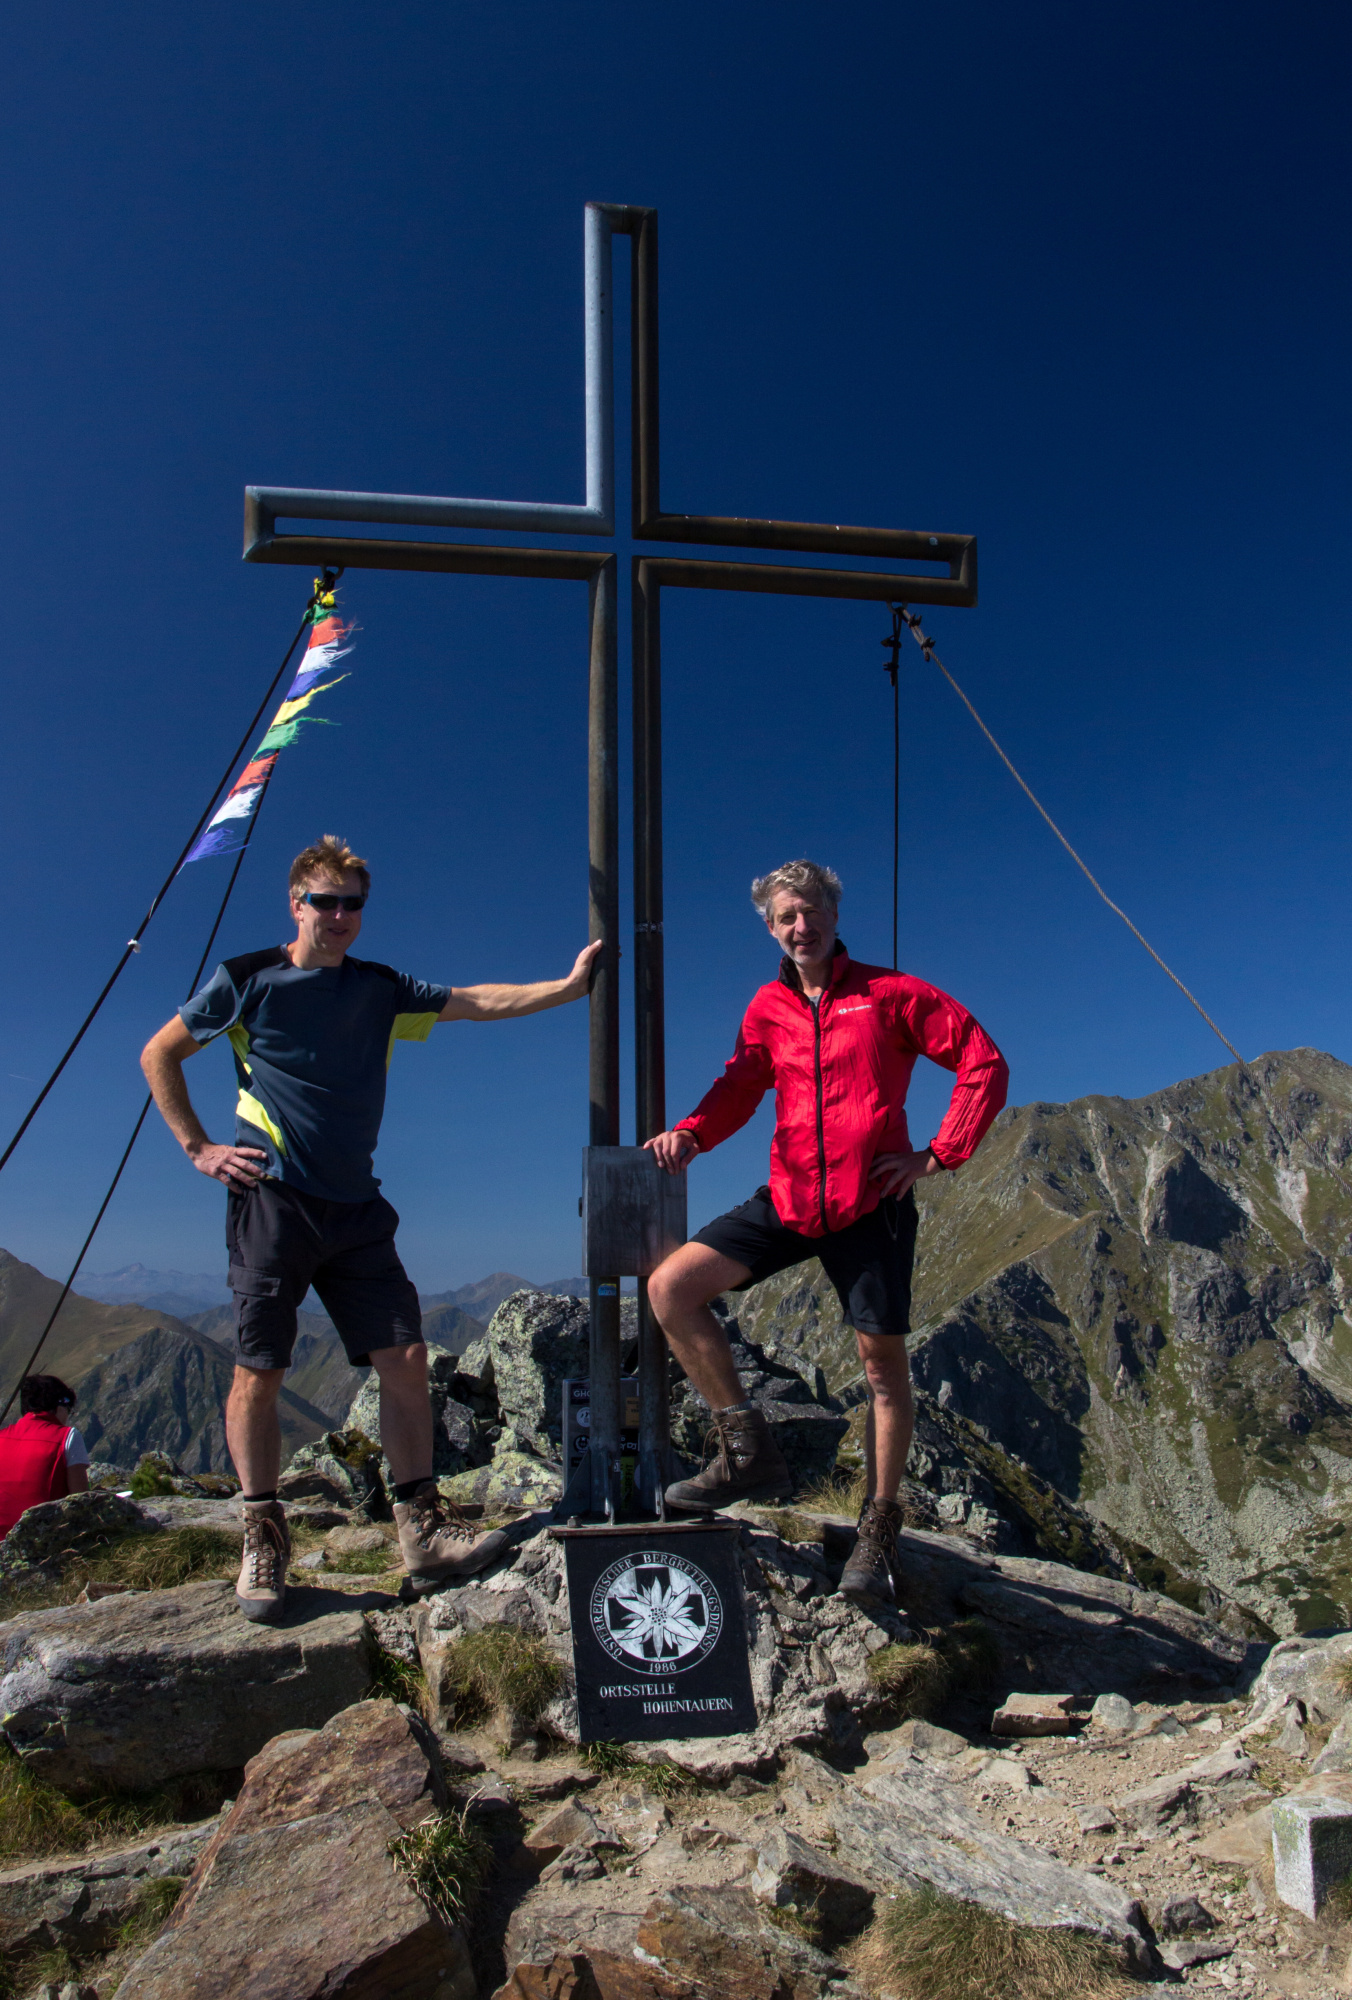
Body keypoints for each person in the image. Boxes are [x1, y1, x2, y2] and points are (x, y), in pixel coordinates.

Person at [142, 835, 600, 1622]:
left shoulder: (379, 986)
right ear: (296, 903)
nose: (342, 916)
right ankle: (262, 1532)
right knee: (261, 1368)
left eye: (354, 903)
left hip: (356, 1205)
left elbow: (473, 1000)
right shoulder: (248, 979)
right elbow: (161, 1051)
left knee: (407, 1355)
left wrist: (566, 988)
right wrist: (199, 1148)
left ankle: (420, 1529)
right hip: (274, 1198)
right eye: (326, 901)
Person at [644, 859, 1007, 1610]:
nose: (800, 926)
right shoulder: (766, 1007)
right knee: (672, 1288)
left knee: (881, 1372)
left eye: (810, 912)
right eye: (785, 917)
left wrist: (938, 1154)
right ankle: (746, 1453)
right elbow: (742, 1084)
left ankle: (878, 1526)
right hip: (788, 1194)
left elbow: (982, 1059)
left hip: (870, 1201)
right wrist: (690, 1134)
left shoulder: (890, 994)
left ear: (834, 916)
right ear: (770, 927)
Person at [0, 1375, 91, 1539]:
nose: (68, 1416)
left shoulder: (2, 1436)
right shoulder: (67, 1436)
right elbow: (81, 1501)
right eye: (69, 1409)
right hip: (42, 1541)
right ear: (60, 1405)